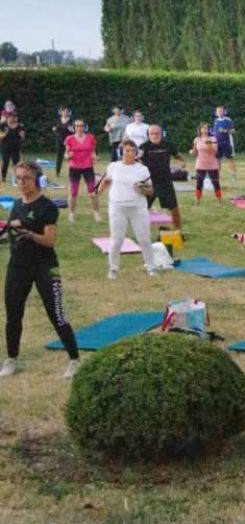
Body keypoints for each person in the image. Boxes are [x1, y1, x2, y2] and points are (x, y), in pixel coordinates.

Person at [1, 161, 81, 379]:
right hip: (18, 266)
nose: (21, 182)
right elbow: (11, 233)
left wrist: (27, 232)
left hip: (45, 266)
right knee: (13, 314)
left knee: (56, 314)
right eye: (18, 178)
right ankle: (11, 359)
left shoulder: (47, 207)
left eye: (26, 178)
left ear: (37, 180)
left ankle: (74, 360)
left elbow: (50, 240)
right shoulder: (16, 205)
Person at [97, 140, 157, 280]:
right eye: (127, 151)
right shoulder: (113, 167)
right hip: (117, 206)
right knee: (117, 240)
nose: (130, 154)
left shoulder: (142, 169)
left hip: (138, 207)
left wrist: (141, 188)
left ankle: (151, 267)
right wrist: (97, 193)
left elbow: (150, 190)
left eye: (132, 151)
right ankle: (113, 269)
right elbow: (106, 181)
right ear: (121, 152)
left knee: (144, 239)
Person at [139, 124, 186, 231]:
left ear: (161, 134)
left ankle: (178, 231)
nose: (154, 136)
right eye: (152, 134)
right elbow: (137, 158)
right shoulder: (144, 147)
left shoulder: (168, 145)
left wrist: (182, 161)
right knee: (142, 210)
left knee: (174, 208)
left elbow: (177, 155)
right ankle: (141, 232)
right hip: (149, 183)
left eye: (157, 134)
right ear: (148, 135)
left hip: (165, 182)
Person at [63, 117, 102, 222]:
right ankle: (71, 214)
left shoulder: (90, 138)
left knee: (93, 192)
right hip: (74, 167)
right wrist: (68, 156)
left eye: (81, 126)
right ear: (74, 127)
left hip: (88, 167)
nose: (79, 128)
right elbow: (66, 154)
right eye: (77, 126)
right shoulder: (69, 139)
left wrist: (96, 157)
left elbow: (93, 152)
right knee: (73, 192)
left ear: (84, 127)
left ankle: (96, 214)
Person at [190, 123, 222, 205]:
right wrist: (192, 152)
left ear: (208, 130)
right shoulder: (197, 140)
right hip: (200, 164)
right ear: (200, 130)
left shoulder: (213, 138)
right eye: (203, 128)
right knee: (199, 183)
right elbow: (195, 151)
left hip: (212, 164)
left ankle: (220, 201)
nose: (205, 130)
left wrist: (210, 143)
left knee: (216, 183)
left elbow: (215, 150)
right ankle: (197, 201)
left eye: (206, 128)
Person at [0, 112, 25, 179]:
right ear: (7, 118)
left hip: (15, 148)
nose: (10, 119)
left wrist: (22, 135)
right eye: (9, 117)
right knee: (5, 163)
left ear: (14, 118)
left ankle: (17, 177)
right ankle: (3, 177)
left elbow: (23, 137)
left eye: (12, 117)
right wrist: (5, 134)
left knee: (16, 164)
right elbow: (0, 136)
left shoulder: (19, 126)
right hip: (5, 148)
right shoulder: (3, 125)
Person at [51, 106, 74, 178]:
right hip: (59, 141)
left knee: (71, 157)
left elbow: (73, 131)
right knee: (59, 157)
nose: (65, 113)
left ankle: (73, 173)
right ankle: (57, 172)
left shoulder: (71, 121)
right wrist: (55, 130)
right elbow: (54, 128)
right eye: (64, 111)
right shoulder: (57, 120)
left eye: (66, 111)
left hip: (69, 141)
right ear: (61, 112)